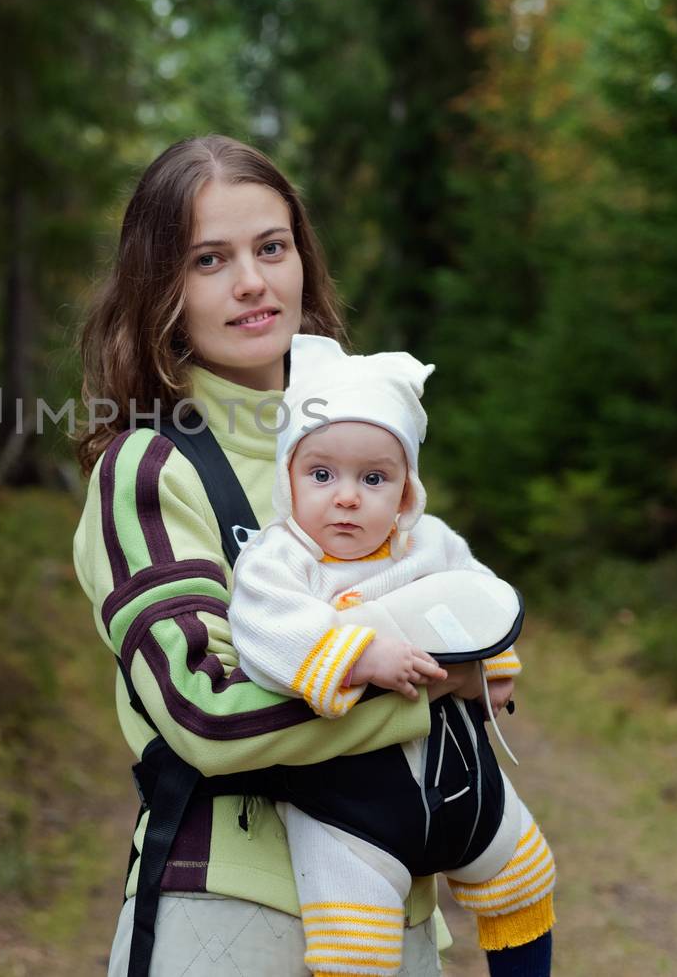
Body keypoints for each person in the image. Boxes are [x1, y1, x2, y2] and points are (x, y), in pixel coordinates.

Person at [72, 135, 494, 976]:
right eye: (208, 260)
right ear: (162, 289)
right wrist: (424, 689)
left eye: (271, 247)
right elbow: (202, 707)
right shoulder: (155, 466)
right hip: (230, 912)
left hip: (396, 901)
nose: (253, 282)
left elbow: (457, 620)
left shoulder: (360, 450)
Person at [226, 335, 555, 976]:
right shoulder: (280, 561)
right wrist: (361, 655)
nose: (346, 497)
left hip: (457, 774)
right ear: (287, 479)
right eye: (321, 475)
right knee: (354, 943)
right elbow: (264, 629)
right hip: (347, 805)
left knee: (523, 874)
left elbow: (478, 596)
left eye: (373, 478)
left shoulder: (426, 545)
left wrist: (492, 670)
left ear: (405, 493)